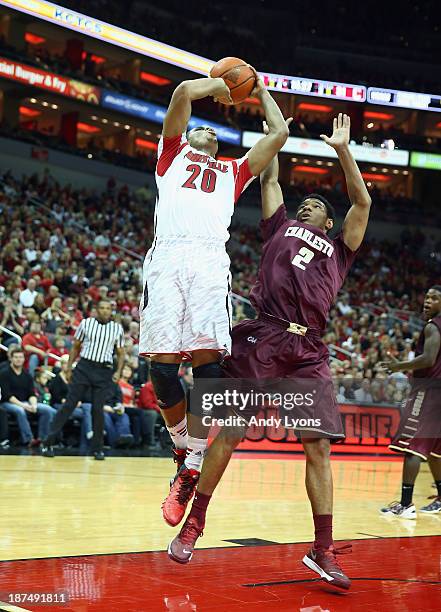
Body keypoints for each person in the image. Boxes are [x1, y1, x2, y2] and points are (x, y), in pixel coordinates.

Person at [167, 114, 372, 592]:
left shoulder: (341, 248)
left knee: (318, 446)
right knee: (231, 431)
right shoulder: (278, 223)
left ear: (328, 221)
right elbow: (271, 175)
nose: (309, 206)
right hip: (262, 334)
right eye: (306, 204)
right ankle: (194, 524)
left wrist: (343, 150)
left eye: (318, 205)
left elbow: (361, 200)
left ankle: (322, 549)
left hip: (307, 350)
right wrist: (274, 132)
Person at [138, 70, 290, 521]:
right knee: (161, 370)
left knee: (208, 366)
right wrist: (221, 85)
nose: (203, 129)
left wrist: (259, 91)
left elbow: (279, 133)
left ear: (220, 146)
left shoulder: (234, 171)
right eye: (198, 127)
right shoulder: (170, 154)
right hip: (166, 258)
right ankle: (184, 450)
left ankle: (194, 465)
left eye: (211, 130)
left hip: (207, 262)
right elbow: (183, 91)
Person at [379, 286, 441, 517]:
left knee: (413, 447)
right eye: (426, 297)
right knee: (435, 450)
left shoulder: (433, 326)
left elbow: (428, 359)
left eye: (434, 298)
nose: (427, 301)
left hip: (430, 392)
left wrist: (398, 367)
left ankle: (406, 504)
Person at [41, 300, 125, 460]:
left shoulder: (117, 328)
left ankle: (97, 449)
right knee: (69, 405)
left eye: (108, 308)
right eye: (102, 307)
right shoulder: (85, 323)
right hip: (84, 366)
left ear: (111, 311)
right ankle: (48, 442)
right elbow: (76, 346)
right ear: (96, 309)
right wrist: (69, 366)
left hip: (104, 370)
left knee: (98, 410)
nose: (105, 310)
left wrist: (119, 371)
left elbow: (121, 353)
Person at [0, 347, 56, 446]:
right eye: (16, 357)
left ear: (24, 359)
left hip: (26, 402)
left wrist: (33, 405)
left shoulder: (27, 375)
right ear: (11, 359)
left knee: (48, 409)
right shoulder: (4, 373)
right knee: (20, 411)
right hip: (8, 403)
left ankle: (42, 439)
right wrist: (24, 406)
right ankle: (29, 439)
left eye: (20, 357)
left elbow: (31, 394)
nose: (18, 359)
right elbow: (7, 395)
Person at [49, 354, 93, 453]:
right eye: (65, 363)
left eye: (69, 363)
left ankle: (87, 437)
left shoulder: (75, 378)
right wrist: (71, 401)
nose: (67, 366)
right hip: (59, 404)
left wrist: (77, 401)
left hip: (73, 405)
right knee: (86, 414)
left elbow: (80, 393)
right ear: (61, 365)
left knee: (87, 407)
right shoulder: (56, 379)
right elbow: (56, 396)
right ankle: (88, 436)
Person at [102, 381, 134, 448]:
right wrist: (102, 406)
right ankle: (114, 442)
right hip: (100, 409)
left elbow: (119, 399)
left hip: (113, 409)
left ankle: (123, 437)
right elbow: (88, 399)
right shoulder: (95, 384)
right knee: (106, 417)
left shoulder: (114, 385)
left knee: (124, 416)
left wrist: (119, 406)